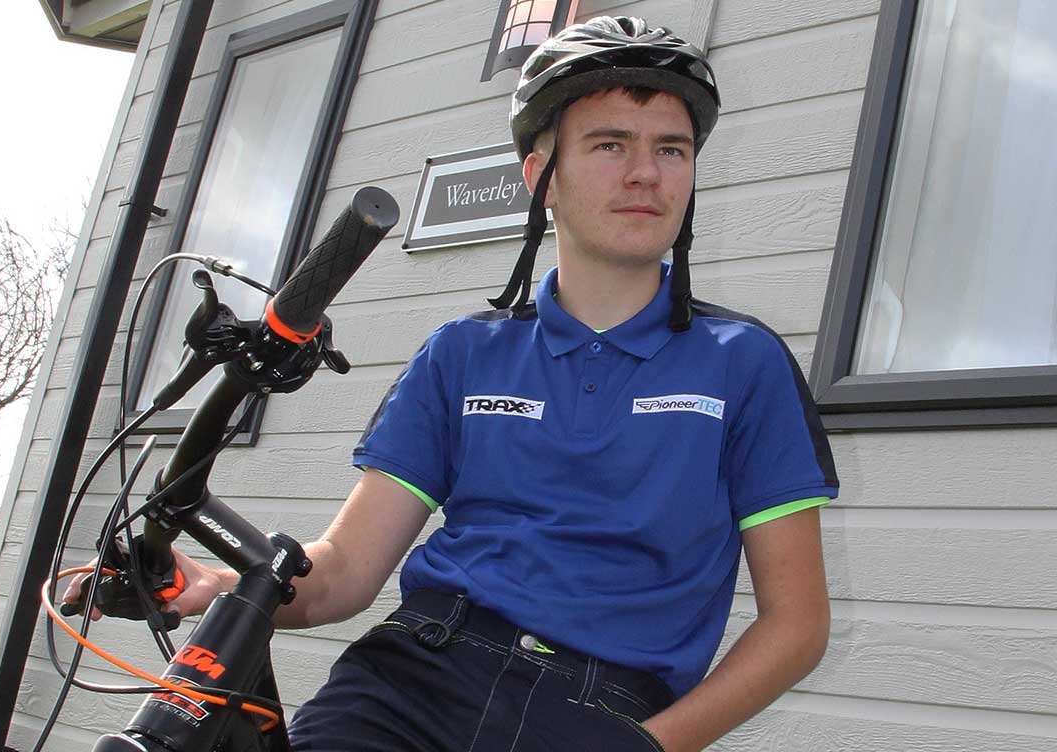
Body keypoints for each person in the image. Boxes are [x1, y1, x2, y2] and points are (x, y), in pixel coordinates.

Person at [75, 16, 838, 752]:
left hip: (605, 710)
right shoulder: (461, 355)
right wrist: (210, 587)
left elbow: (796, 625)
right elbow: (343, 573)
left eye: (671, 150)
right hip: (412, 679)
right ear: (541, 175)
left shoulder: (745, 362)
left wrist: (652, 745)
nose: (646, 173)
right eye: (611, 144)